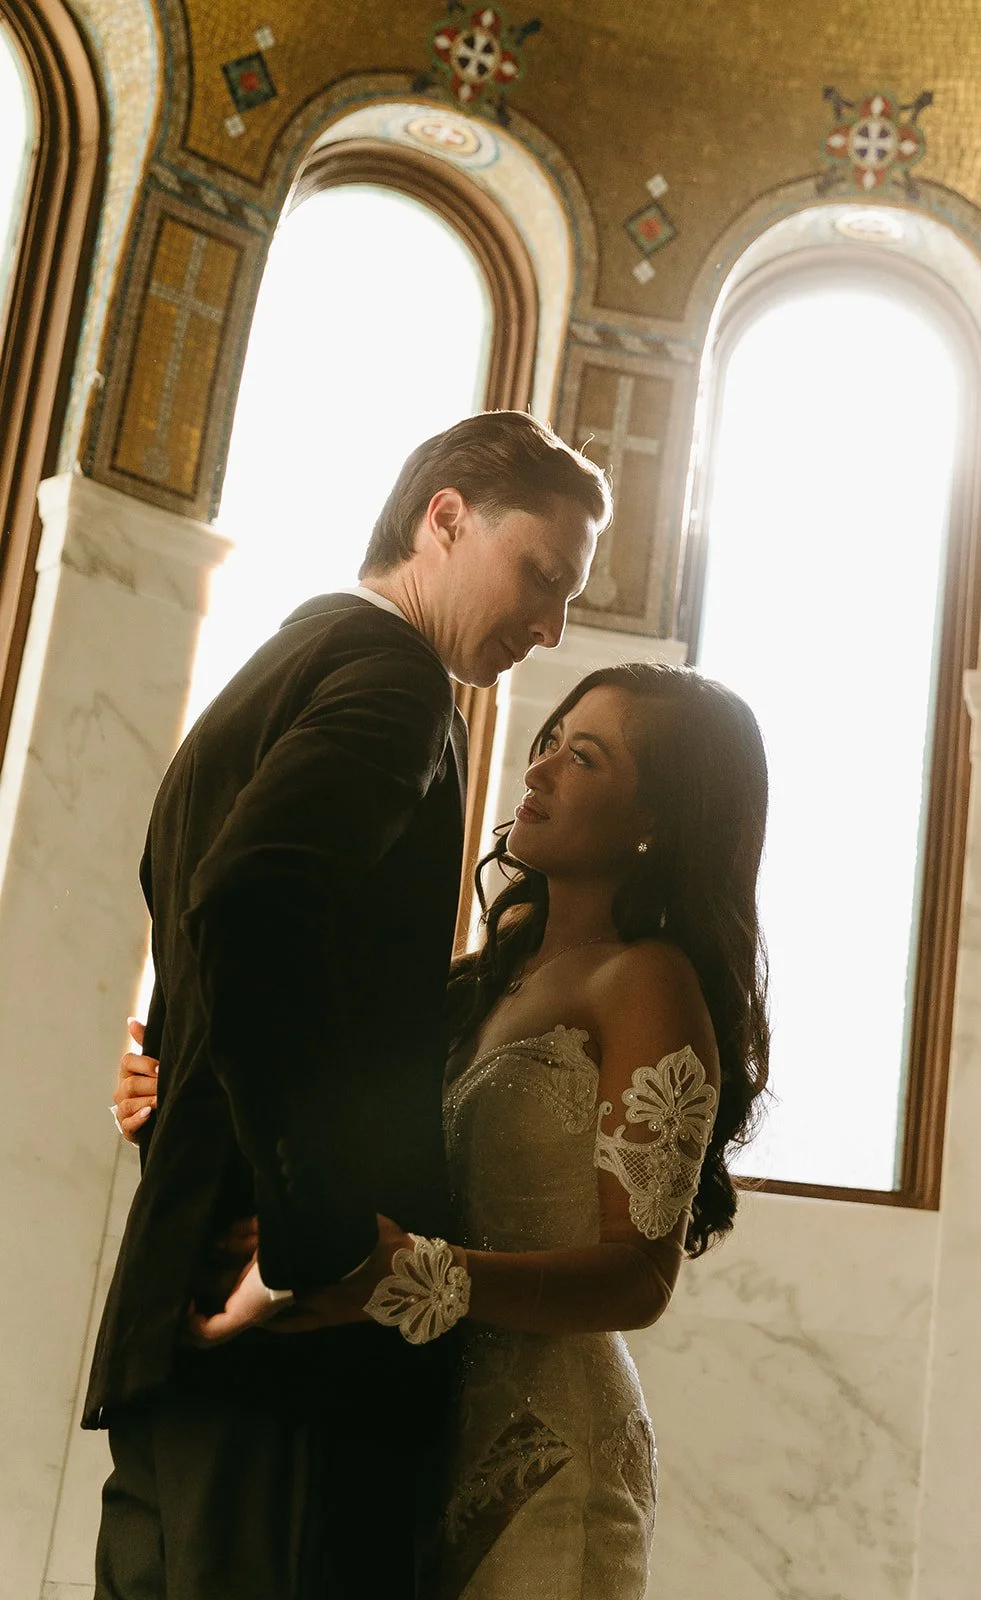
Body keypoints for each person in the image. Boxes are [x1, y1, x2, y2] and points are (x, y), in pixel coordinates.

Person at [87, 409, 610, 1600]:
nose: (549, 624)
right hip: (286, 1345)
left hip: (180, 1317)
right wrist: (311, 1242)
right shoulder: (395, 680)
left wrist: (184, 1089)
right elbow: (246, 904)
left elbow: (222, 929)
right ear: (445, 516)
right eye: (540, 576)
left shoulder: (281, 664)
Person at [113, 662, 771, 1597]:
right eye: (545, 742)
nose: (538, 771)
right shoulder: (471, 982)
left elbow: (638, 1277)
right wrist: (167, 1088)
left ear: (654, 822)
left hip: (547, 1457)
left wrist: (403, 1276)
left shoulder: (646, 981)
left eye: (582, 758)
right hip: (415, 1433)